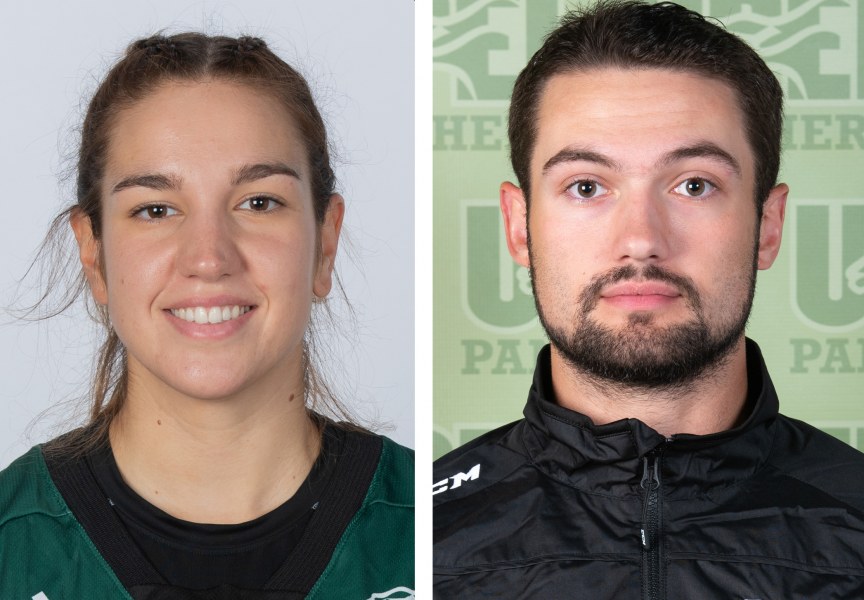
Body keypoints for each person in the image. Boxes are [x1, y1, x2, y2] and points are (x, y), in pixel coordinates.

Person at [433, 1, 864, 597]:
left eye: (694, 185)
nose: (640, 239)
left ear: (767, 225)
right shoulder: (413, 547)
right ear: (517, 226)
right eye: (586, 187)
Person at [0, 33, 413, 598]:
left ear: (325, 244)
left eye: (259, 202)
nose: (209, 258)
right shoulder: (13, 543)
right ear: (92, 254)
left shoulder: (434, 529)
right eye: (156, 209)